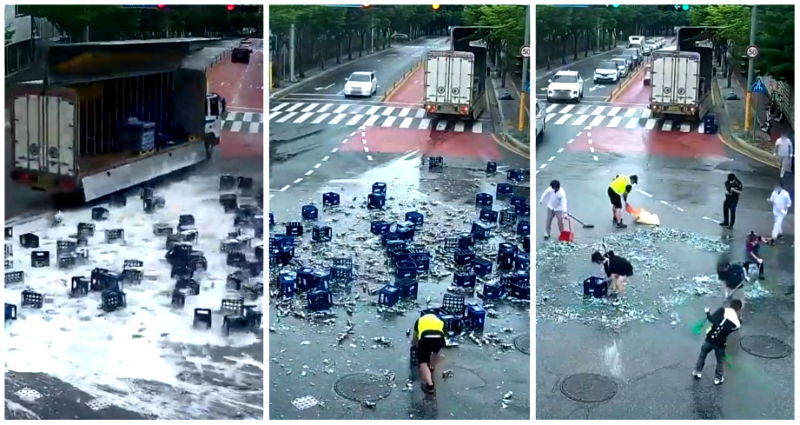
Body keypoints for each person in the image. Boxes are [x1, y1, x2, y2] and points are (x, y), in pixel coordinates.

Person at [692, 300, 742, 385]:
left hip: (710, 339)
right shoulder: (737, 323)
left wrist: (707, 312)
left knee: (703, 355)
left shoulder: (722, 310)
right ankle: (718, 378)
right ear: (739, 309)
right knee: (719, 361)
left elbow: (711, 320)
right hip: (720, 343)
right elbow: (731, 333)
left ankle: (697, 372)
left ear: (730, 305)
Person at [411, 313, 446, 393]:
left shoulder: (419, 320)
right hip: (439, 338)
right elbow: (444, 333)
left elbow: (415, 336)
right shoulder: (439, 321)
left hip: (425, 338)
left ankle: (430, 385)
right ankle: (432, 367)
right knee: (436, 353)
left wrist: (414, 345)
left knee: (423, 363)